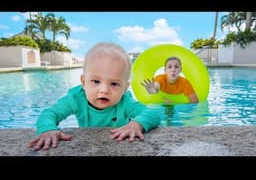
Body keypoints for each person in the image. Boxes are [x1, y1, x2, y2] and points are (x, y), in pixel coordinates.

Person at [28, 42, 160, 151]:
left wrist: (136, 124)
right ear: (84, 82)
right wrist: (48, 129)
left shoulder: (124, 101)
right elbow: (50, 113)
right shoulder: (76, 98)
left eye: (114, 84)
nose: (104, 90)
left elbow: (153, 114)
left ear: (125, 89)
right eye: (96, 81)